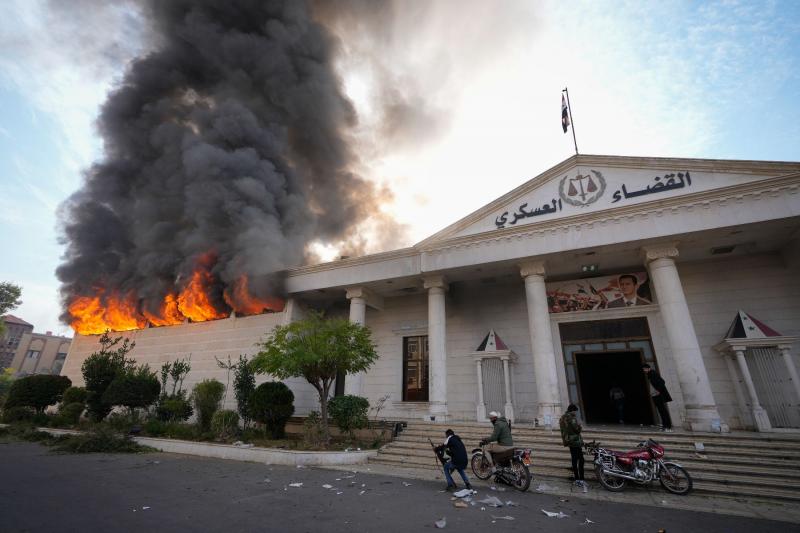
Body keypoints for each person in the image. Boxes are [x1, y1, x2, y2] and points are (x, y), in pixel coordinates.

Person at [559, 404, 586, 491]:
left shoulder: (562, 418)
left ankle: (576, 478)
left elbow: (562, 430)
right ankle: (581, 479)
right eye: (575, 411)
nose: (575, 413)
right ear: (573, 410)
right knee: (581, 460)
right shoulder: (572, 418)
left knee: (574, 459)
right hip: (575, 441)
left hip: (568, 441)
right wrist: (580, 426)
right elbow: (577, 429)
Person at [643, 363, 673, 431]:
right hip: (655, 395)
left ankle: (667, 425)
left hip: (658, 395)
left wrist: (658, 390)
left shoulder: (653, 373)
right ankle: (665, 424)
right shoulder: (650, 374)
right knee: (660, 410)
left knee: (662, 410)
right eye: (644, 369)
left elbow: (662, 382)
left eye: (645, 369)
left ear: (648, 368)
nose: (644, 370)